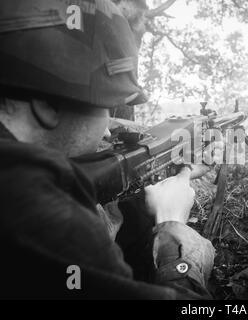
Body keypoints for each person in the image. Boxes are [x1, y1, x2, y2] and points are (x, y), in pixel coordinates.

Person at [0, 0, 215, 299]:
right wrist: (173, 227)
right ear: (47, 104)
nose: (107, 129)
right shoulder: (36, 211)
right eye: (106, 107)